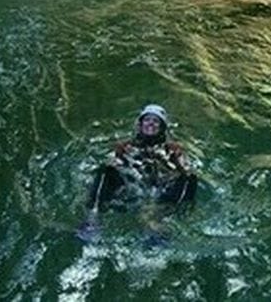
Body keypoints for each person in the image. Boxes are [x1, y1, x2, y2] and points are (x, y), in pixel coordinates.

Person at [77, 104, 198, 244]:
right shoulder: (125, 147)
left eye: (156, 121)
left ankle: (157, 220)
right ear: (140, 125)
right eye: (147, 119)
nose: (151, 123)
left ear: (162, 127)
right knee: (105, 170)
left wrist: (176, 164)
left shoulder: (173, 150)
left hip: (160, 193)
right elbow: (112, 166)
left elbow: (185, 171)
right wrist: (118, 160)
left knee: (190, 178)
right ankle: (93, 217)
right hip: (131, 191)